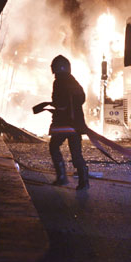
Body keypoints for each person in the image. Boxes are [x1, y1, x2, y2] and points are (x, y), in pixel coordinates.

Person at [33, 55, 90, 190]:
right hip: (76, 125)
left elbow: (60, 103)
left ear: (56, 69)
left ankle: (62, 177)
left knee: (54, 146)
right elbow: (81, 99)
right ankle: (84, 182)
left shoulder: (58, 82)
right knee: (76, 154)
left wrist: (52, 106)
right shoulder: (74, 81)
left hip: (63, 124)